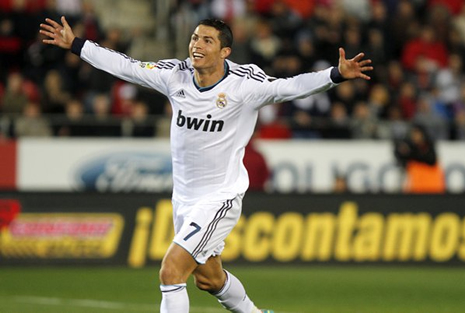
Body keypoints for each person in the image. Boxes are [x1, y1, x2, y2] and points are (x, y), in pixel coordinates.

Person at [40, 16, 372, 313]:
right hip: (184, 198)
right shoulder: (175, 75)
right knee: (210, 279)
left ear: (225, 52)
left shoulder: (245, 85)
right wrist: (77, 45)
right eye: (195, 38)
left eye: (207, 40)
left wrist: (335, 75)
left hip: (220, 196)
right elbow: (127, 66)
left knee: (171, 271)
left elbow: (289, 87)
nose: (196, 45)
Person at [394, 124, 445, 193]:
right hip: (416, 187)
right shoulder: (410, 147)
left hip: (432, 187)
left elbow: (431, 160)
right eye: (413, 134)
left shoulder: (428, 147)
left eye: (417, 134)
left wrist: (410, 153)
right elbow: (399, 154)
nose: (415, 137)